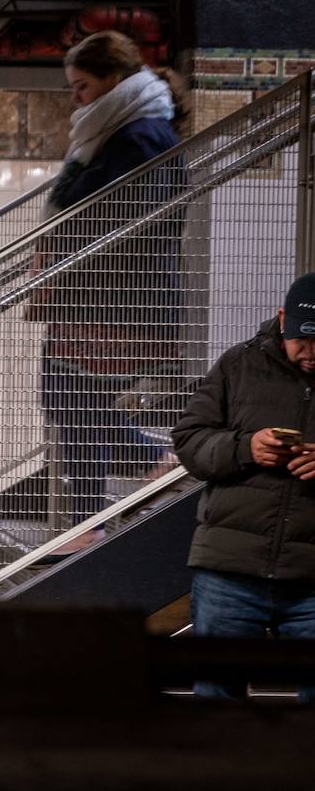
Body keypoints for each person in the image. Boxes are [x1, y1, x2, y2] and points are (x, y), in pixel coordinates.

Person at [27, 30, 187, 551]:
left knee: (65, 395)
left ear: (114, 81)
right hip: (96, 294)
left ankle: (150, 461)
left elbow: (126, 223)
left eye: (82, 86)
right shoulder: (116, 131)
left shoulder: (140, 136)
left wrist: (61, 251)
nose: (75, 98)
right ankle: (88, 519)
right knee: (69, 397)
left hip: (119, 299)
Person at [172, 274, 315, 704]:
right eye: (302, 342)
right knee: (217, 700)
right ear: (282, 320)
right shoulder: (238, 365)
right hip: (229, 571)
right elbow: (190, 440)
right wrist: (245, 447)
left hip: (312, 577)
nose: (311, 355)